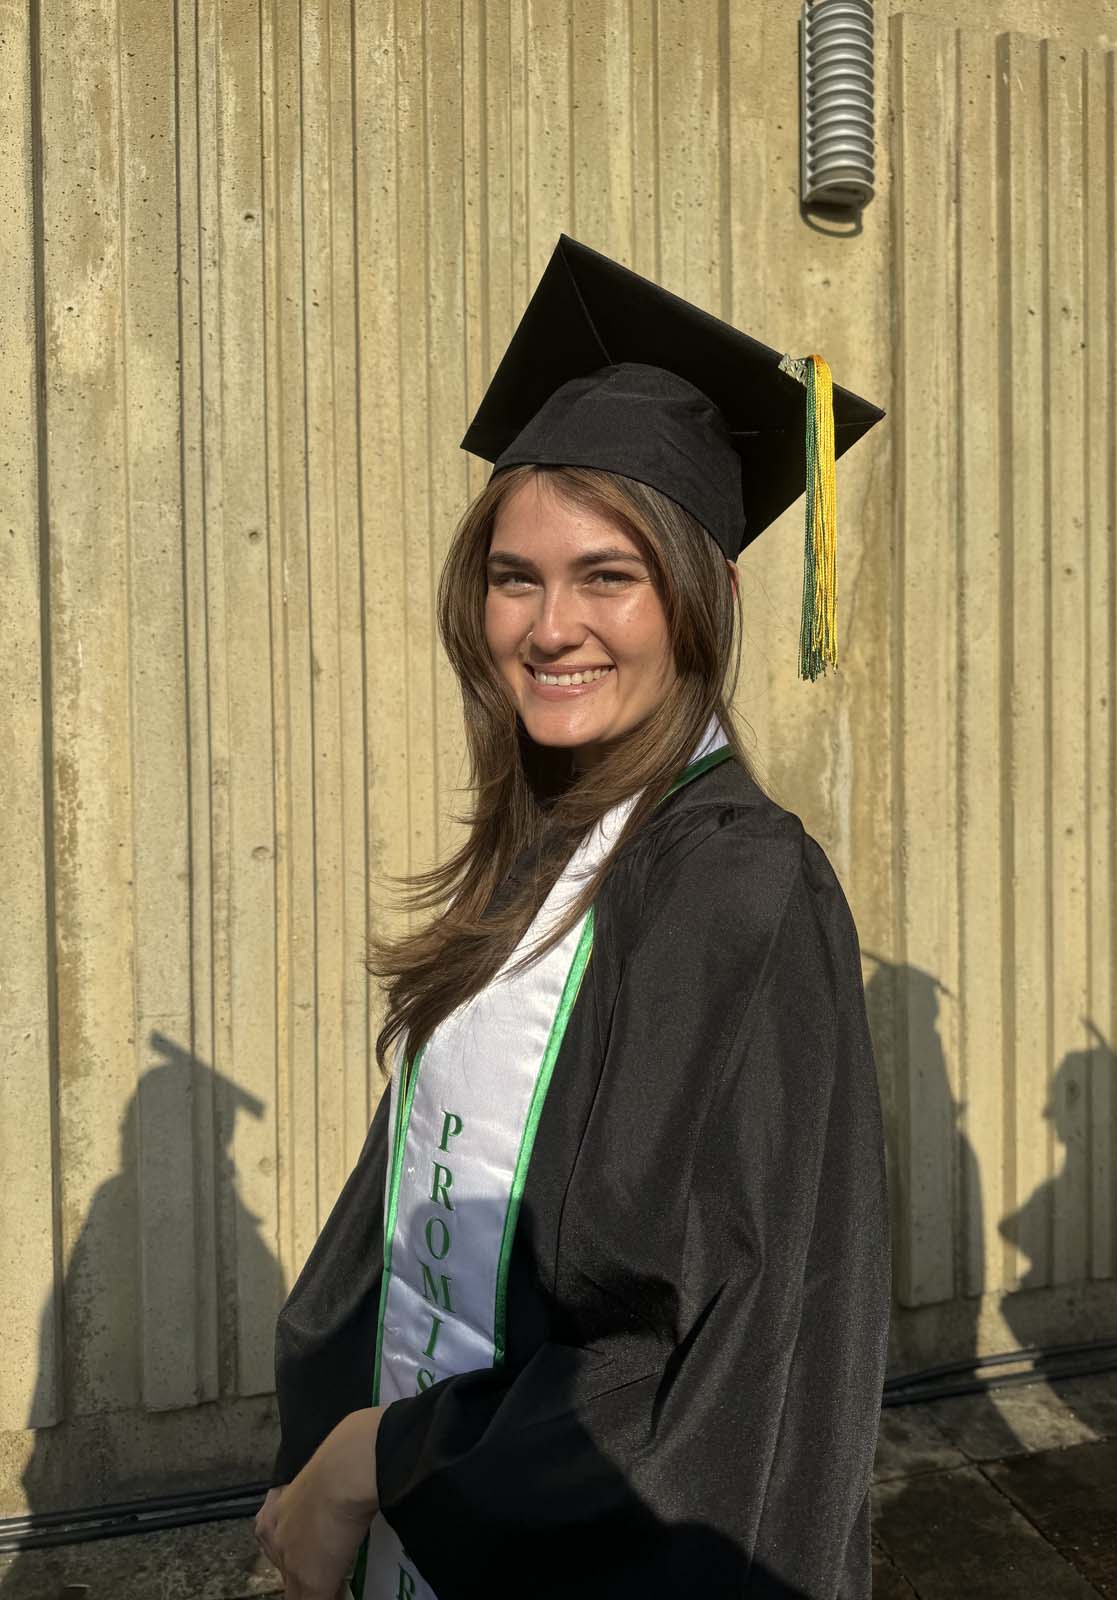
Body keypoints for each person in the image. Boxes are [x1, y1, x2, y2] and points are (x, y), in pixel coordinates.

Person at [255, 236, 890, 1600]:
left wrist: (379, 1456)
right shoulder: (553, 843)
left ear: (704, 595)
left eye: (608, 574)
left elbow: (705, 1359)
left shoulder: (738, 893)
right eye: (514, 575)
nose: (549, 627)